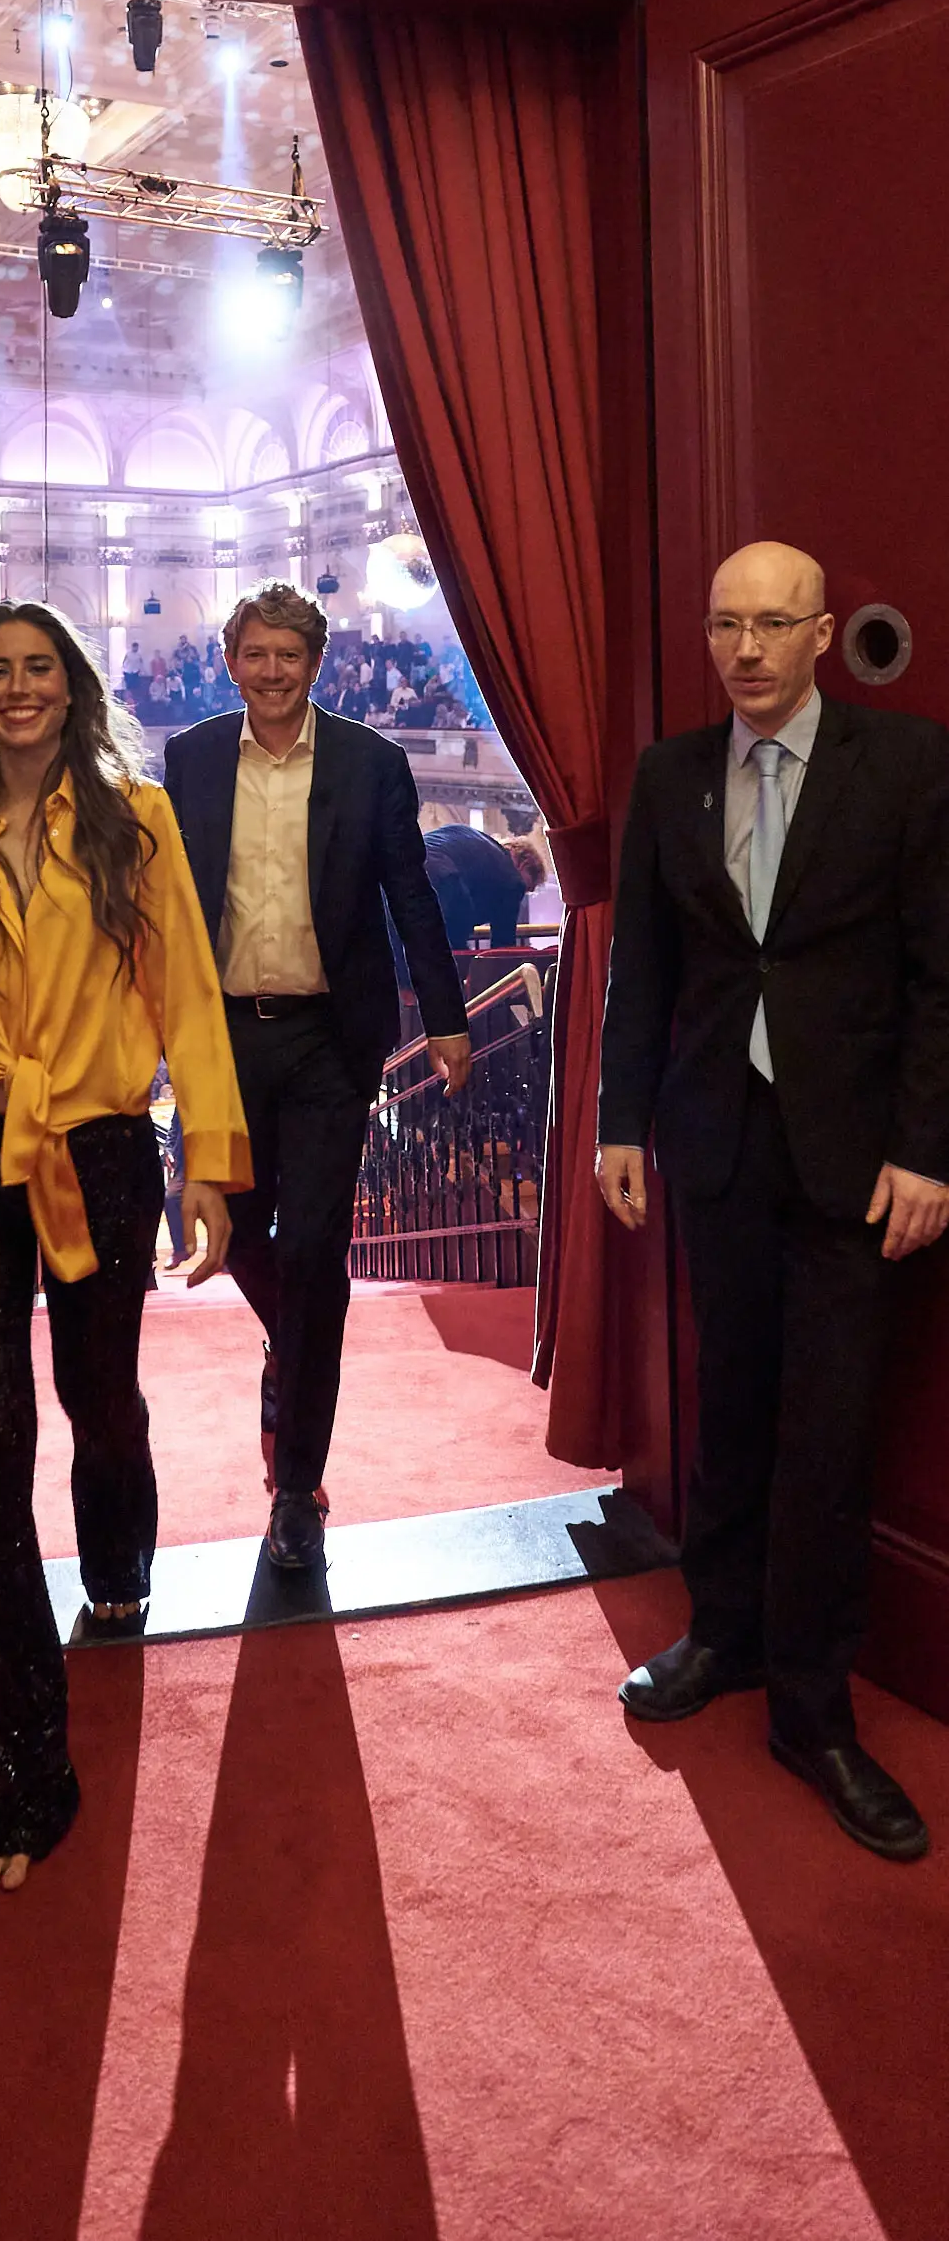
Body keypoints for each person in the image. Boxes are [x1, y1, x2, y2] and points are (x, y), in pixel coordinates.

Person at [0, 601, 250, 1894]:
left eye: (38, 667)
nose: (18, 688)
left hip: (100, 1149)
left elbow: (185, 994)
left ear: (72, 686)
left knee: (97, 1394)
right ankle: (22, 1766)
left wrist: (209, 1160)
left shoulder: (133, 817)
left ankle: (118, 1550)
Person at [598, 541, 949, 1862]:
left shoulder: (904, 765)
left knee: (829, 1433)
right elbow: (642, 965)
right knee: (731, 1406)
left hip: (858, 1166)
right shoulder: (669, 774)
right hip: (716, 1145)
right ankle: (724, 1635)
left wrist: (928, 1151)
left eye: (770, 624)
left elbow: (941, 978)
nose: (744, 649)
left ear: (820, 633)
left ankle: (812, 1710)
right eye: (723, 625)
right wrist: (620, 1121)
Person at [164, 582, 471, 1570]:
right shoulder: (191, 759)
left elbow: (410, 895)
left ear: (315, 663)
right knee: (234, 1233)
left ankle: (296, 1489)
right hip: (223, 1039)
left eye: (288, 655)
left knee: (314, 1247)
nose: (271, 672)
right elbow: (167, 905)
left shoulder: (369, 763)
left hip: (329, 1041)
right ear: (230, 663)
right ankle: (292, 1345)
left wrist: (446, 1019)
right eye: (255, 654)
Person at [422, 822, 533, 952]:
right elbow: (503, 945)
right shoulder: (513, 880)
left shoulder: (481, 849)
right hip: (443, 875)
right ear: (523, 865)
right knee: (453, 951)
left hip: (407, 863)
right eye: (526, 889)